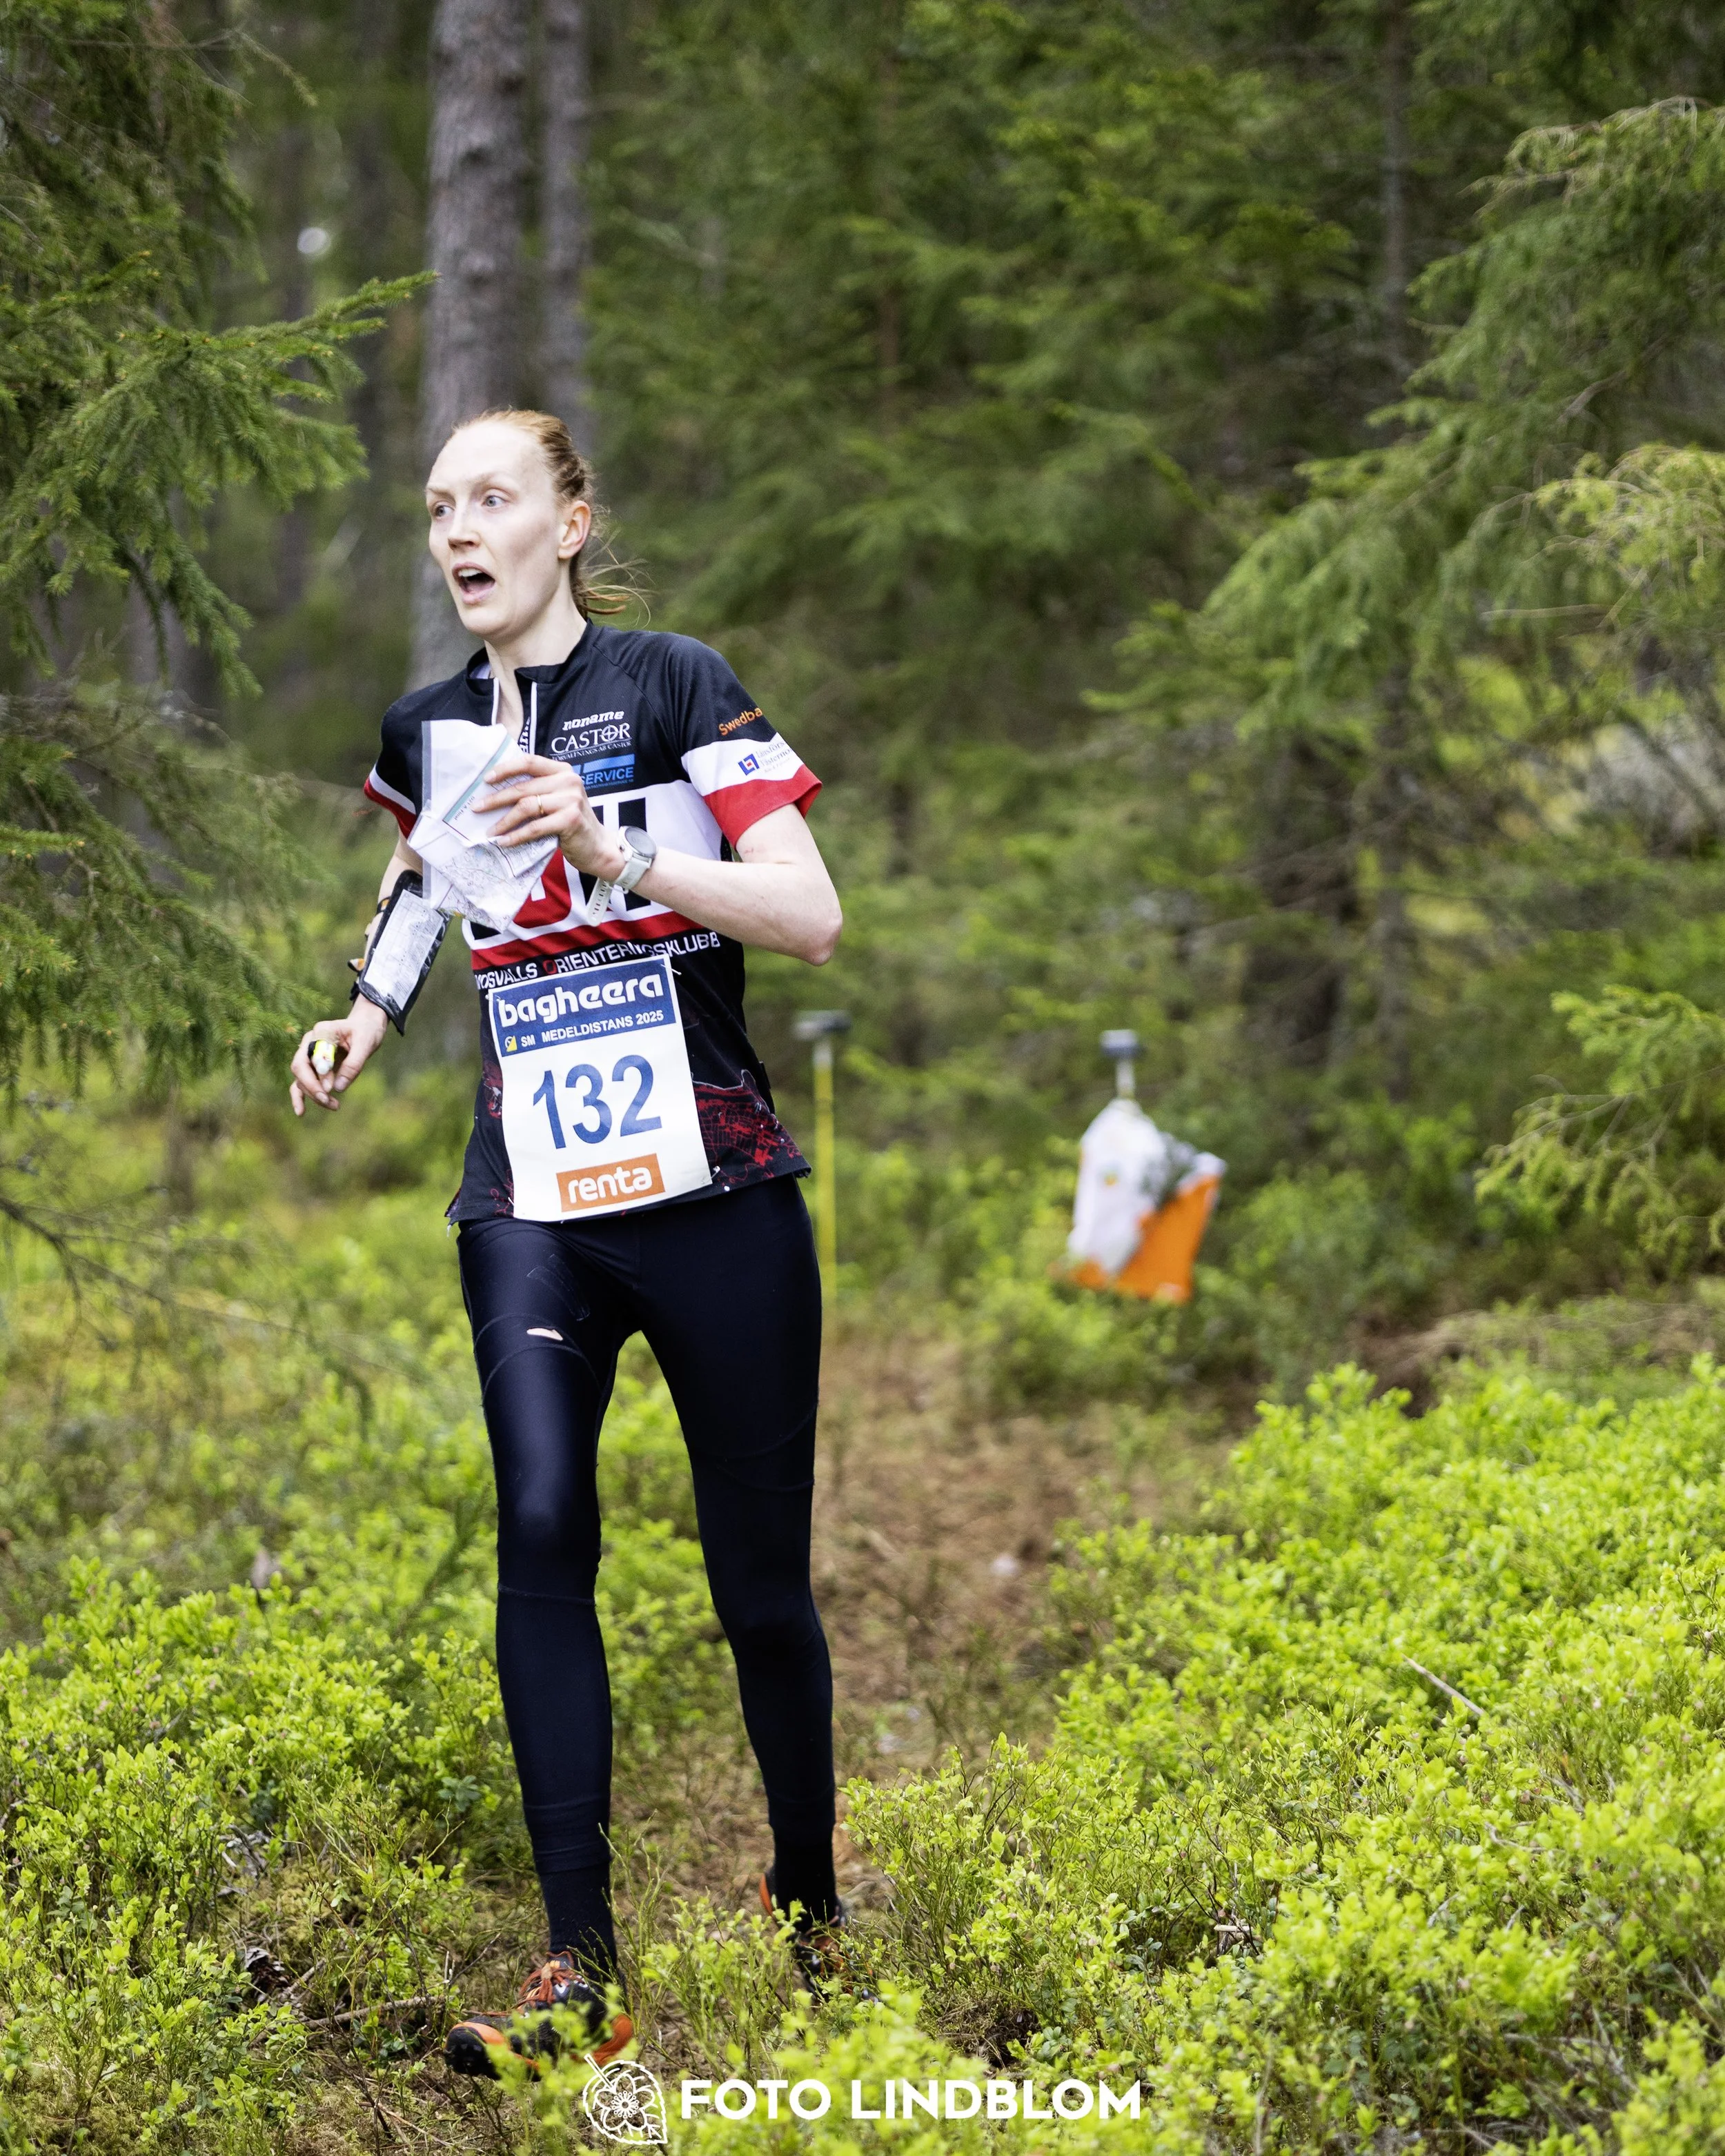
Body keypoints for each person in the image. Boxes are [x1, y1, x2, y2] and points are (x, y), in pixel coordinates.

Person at [289, 409, 845, 2078]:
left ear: (569, 522)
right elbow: (418, 876)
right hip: (531, 1195)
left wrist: (613, 846)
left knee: (757, 1590)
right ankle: (580, 1977)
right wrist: (367, 1014)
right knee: (540, 1520)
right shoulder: (429, 722)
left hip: (715, 1188)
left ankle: (810, 1909)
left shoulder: (674, 683)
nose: (460, 530)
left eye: (493, 499)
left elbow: (809, 913)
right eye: (440, 505)